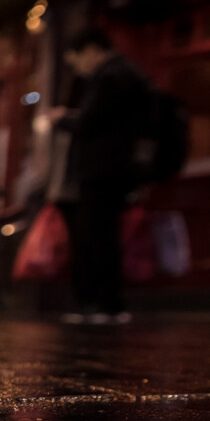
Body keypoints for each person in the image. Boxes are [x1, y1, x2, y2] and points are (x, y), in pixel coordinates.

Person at [51, 29, 150, 324]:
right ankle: (105, 303)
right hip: (114, 170)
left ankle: (103, 304)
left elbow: (90, 122)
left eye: (78, 60)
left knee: (97, 237)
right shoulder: (127, 73)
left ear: (92, 50)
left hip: (102, 171)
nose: (79, 69)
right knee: (101, 235)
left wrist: (63, 119)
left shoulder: (109, 77)